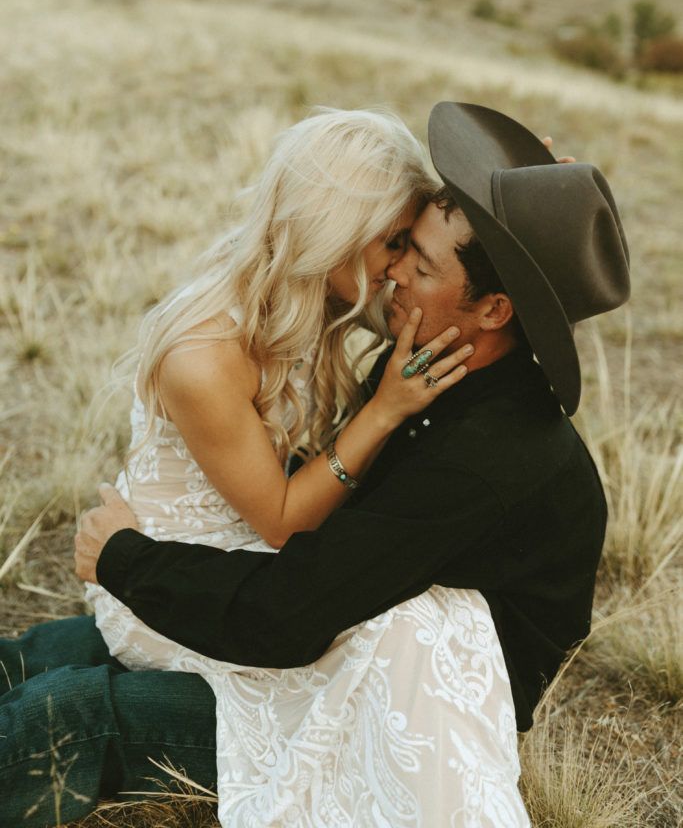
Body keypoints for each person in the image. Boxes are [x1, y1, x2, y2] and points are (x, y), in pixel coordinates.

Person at [0, 102, 629, 828]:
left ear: (492, 310)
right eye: (395, 249)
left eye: (416, 264)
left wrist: (125, 557)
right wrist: (522, 203)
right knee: (46, 654)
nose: (391, 278)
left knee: (71, 715)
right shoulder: (443, 354)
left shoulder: (487, 452)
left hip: (397, 700)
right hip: (343, 616)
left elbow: (286, 615)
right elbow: (341, 248)